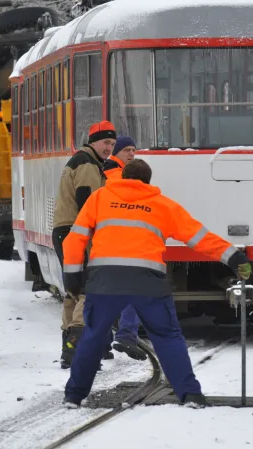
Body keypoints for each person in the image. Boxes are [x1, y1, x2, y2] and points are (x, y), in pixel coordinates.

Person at [60, 159, 253, 408]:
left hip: (105, 281)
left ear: (122, 176)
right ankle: (190, 394)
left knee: (94, 335)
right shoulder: (162, 205)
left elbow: (74, 240)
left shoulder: (99, 198)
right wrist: (233, 257)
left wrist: (73, 276)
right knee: (167, 336)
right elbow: (198, 236)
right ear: (148, 182)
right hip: (148, 282)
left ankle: (74, 396)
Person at [53, 120, 116, 369]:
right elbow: (87, 202)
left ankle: (68, 349)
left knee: (73, 288)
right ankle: (78, 347)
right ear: (93, 141)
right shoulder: (88, 164)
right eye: (105, 142)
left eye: (112, 143)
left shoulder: (81, 160)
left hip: (64, 230)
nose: (109, 148)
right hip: (77, 232)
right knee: (87, 290)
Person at [102, 136, 147, 361]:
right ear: (116, 152)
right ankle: (126, 334)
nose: (131, 154)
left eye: (134, 150)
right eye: (127, 150)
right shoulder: (114, 173)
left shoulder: (112, 171)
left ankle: (116, 337)